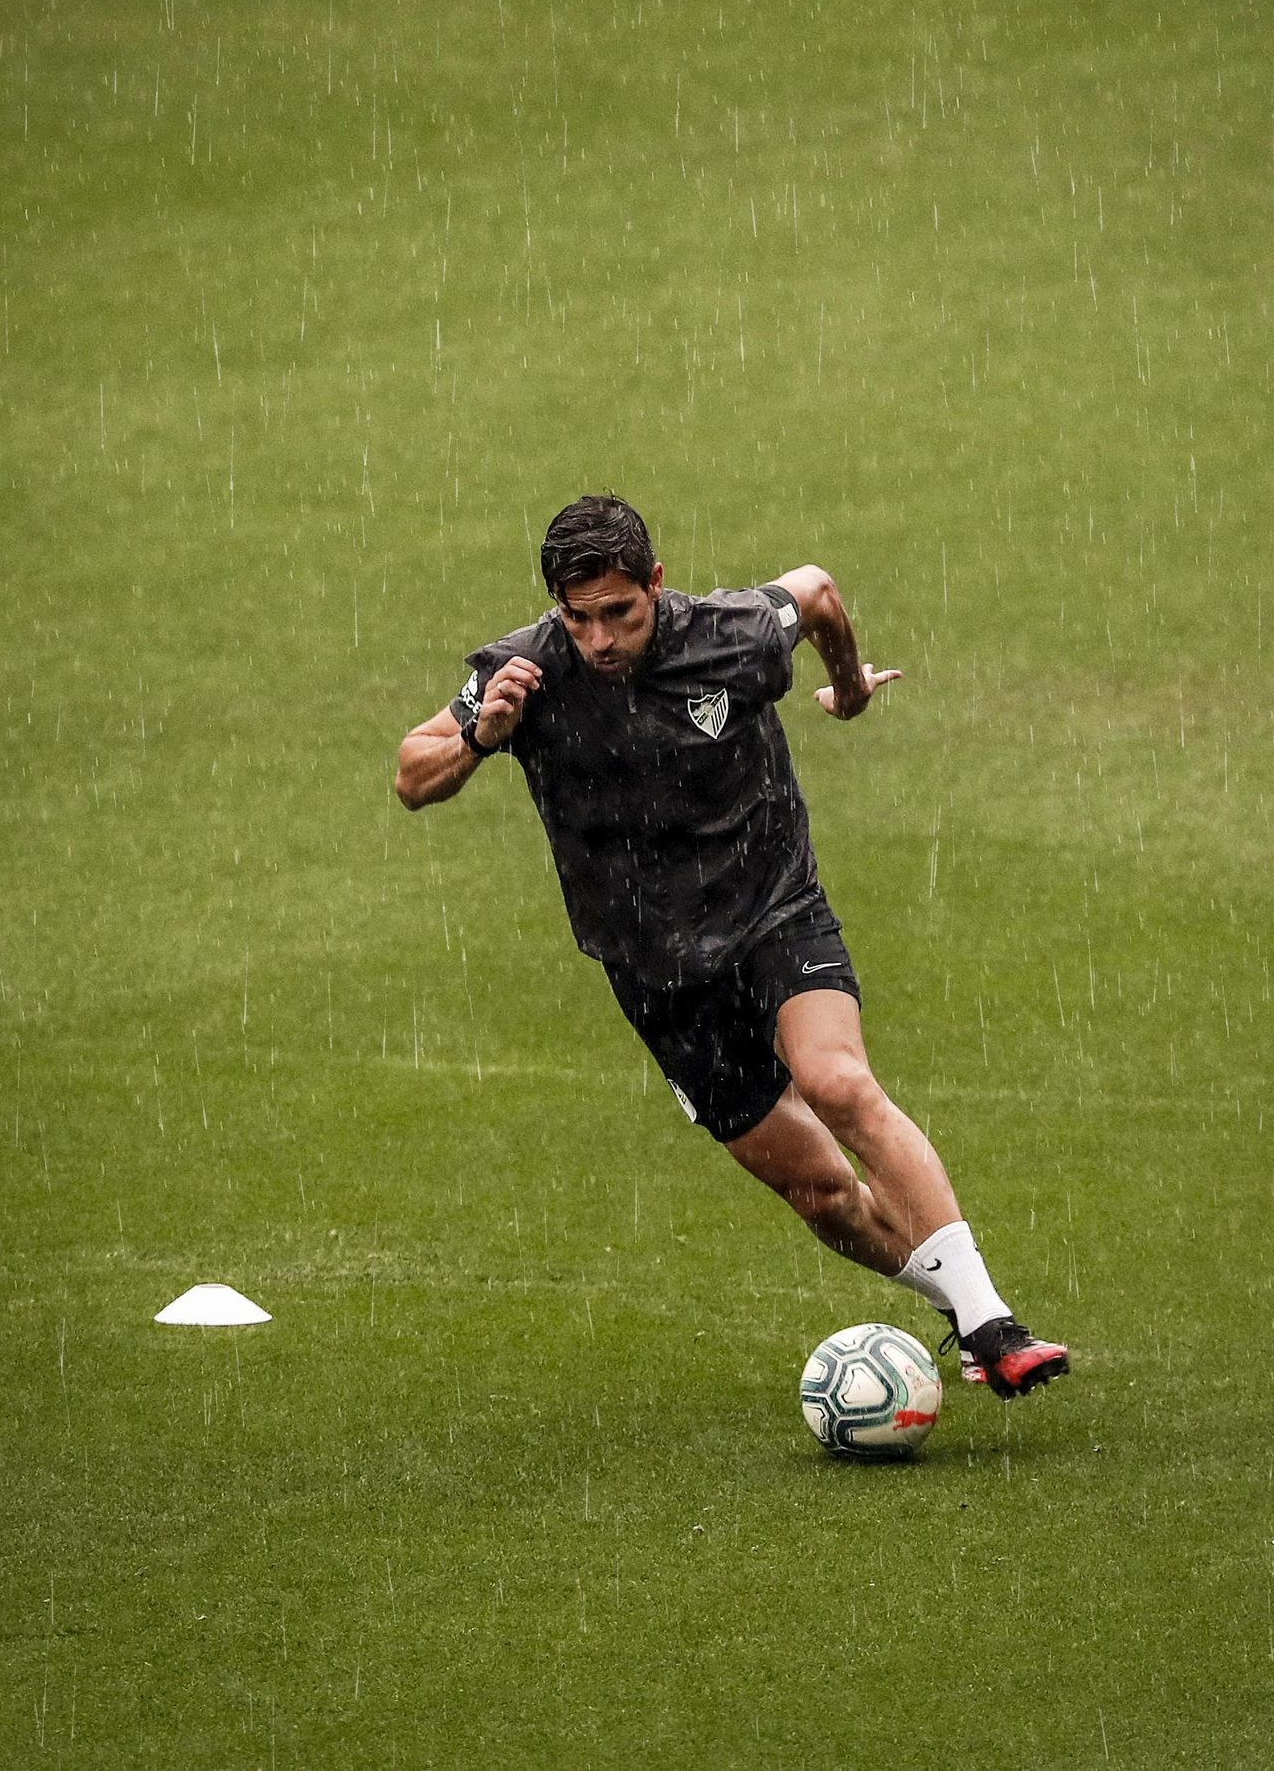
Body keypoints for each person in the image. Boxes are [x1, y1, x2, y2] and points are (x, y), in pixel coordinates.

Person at [395, 495, 1068, 1399]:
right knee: (822, 1193)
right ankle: (959, 1308)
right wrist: (481, 737)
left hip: (772, 910)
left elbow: (819, 592)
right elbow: (412, 775)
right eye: (578, 616)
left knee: (837, 1081)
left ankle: (993, 1323)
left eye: (620, 613)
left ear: (657, 585)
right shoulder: (524, 673)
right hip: (659, 973)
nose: (599, 638)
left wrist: (853, 690)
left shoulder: (732, 634)